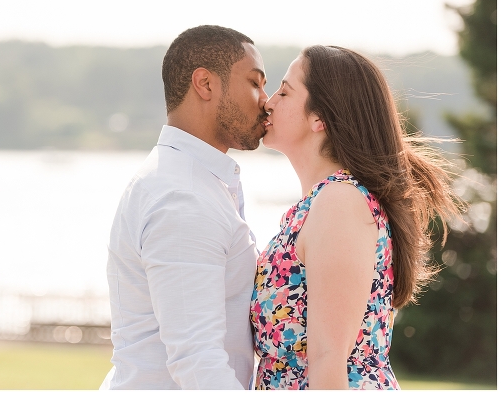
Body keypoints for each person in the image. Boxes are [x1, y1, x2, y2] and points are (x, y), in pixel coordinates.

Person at [251, 45, 462, 389]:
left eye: (285, 91)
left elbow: (328, 359)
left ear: (319, 118)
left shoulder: (340, 202)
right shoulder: (324, 201)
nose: (269, 102)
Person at [100, 25, 269, 389]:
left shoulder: (192, 182)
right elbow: (198, 363)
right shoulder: (183, 198)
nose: (265, 100)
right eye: (255, 83)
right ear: (205, 84)